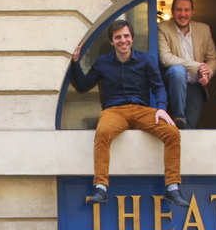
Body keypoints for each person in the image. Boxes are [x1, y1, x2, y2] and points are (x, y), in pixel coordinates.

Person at [70, 20, 190, 208]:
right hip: (114, 111)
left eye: (126, 36)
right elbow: (84, 85)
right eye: (118, 37)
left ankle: (173, 188)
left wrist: (161, 108)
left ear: (132, 38)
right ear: (112, 41)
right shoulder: (103, 62)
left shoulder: (146, 60)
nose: (122, 40)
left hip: (143, 110)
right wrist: (75, 63)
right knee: (102, 133)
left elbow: (159, 87)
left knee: (172, 133)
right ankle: (101, 187)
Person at [157, 0, 216, 129]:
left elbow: (213, 58)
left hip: (195, 85)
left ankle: (182, 133)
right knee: (178, 70)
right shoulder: (162, 28)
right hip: (173, 83)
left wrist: (207, 72)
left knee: (189, 130)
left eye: (186, 10)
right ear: (172, 12)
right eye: (179, 10)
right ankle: (179, 115)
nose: (183, 14)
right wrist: (197, 66)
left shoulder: (204, 29)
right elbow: (166, 58)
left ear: (192, 12)